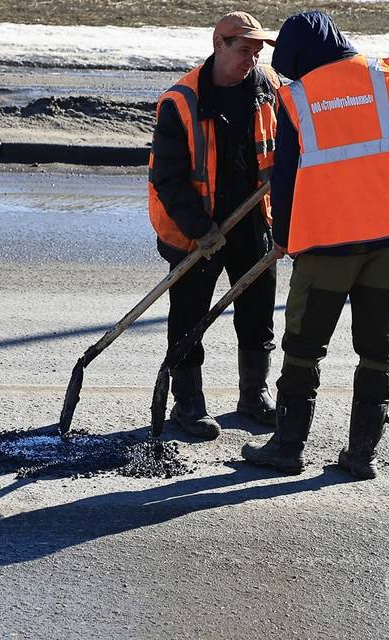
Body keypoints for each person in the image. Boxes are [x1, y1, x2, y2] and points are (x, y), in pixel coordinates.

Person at [242, 11, 389, 478]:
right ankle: (362, 454)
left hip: (326, 245)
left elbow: (286, 179)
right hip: (387, 241)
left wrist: (283, 239)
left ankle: (288, 448)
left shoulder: (297, 98)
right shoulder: (388, 76)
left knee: (304, 346)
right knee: (378, 350)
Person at [148, 11, 280, 439]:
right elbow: (167, 177)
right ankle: (188, 403)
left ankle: (254, 394)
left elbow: (288, 150)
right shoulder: (181, 101)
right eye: (244, 50)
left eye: (257, 52)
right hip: (197, 230)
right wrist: (199, 229)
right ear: (218, 44)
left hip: (253, 220)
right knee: (189, 316)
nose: (251, 60)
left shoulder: (268, 87)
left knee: (258, 311)